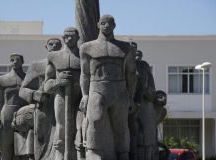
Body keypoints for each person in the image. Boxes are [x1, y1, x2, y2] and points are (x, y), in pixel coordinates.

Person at [79, 14, 137, 160]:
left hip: (120, 89)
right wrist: (85, 95)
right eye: (103, 23)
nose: (106, 26)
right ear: (98, 25)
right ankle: (93, 150)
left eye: (109, 23)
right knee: (95, 120)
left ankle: (122, 152)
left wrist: (130, 97)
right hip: (97, 88)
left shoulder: (126, 48)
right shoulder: (87, 48)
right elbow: (85, 74)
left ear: (114, 26)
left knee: (121, 125)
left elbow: (131, 73)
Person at [18, 38, 62, 160]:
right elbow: (22, 90)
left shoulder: (65, 64)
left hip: (63, 107)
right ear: (46, 46)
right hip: (44, 109)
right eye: (51, 44)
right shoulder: (37, 66)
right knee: (42, 142)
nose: (54, 46)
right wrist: (34, 95)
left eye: (57, 44)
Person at [44, 27, 82, 160]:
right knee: (61, 128)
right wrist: (58, 82)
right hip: (61, 96)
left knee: (81, 128)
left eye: (72, 36)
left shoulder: (84, 55)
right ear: (63, 37)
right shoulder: (53, 56)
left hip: (80, 97)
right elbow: (46, 86)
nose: (69, 39)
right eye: (66, 36)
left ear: (78, 38)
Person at [0, 53, 27, 160]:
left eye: (18, 59)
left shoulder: (28, 78)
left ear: (22, 62)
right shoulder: (2, 80)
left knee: (22, 148)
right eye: (12, 60)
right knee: (7, 147)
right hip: (7, 115)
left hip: (24, 115)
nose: (15, 62)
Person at [133, 50, 157, 160]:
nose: (137, 57)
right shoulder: (126, 66)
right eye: (135, 54)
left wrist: (145, 89)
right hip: (129, 103)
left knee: (147, 138)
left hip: (144, 104)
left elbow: (152, 92)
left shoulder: (145, 67)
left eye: (139, 55)